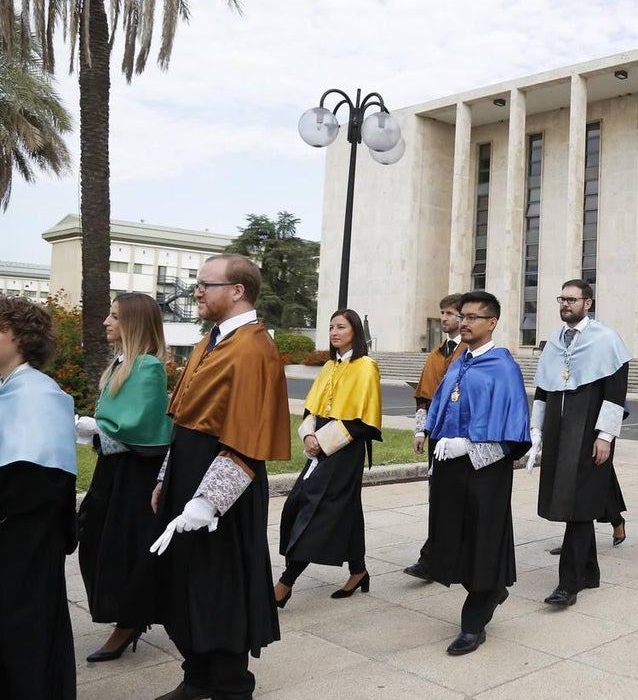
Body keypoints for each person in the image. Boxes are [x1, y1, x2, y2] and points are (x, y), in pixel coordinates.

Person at [148, 254, 291, 700]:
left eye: (205, 284)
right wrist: (165, 479)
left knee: (220, 583)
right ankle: (197, 677)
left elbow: (247, 437)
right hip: (189, 470)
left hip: (223, 480)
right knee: (187, 578)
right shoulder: (209, 340)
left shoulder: (253, 347)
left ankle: (230, 684)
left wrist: (207, 501)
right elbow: (185, 421)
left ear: (237, 291)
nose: (196, 292)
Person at [421, 291, 530, 655]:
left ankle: (475, 620)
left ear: (491, 323)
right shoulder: (459, 362)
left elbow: (514, 432)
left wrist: (469, 446)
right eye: (462, 316)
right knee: (458, 536)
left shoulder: (503, 367)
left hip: (484, 471)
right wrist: (431, 432)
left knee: (484, 537)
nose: (463, 323)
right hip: (451, 467)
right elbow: (442, 402)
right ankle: (489, 588)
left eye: (472, 317)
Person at [76, 294, 172, 663]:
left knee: (122, 549)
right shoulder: (121, 364)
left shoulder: (147, 367)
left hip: (134, 476)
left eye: (114, 316)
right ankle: (127, 619)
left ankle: (128, 622)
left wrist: (90, 426)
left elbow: (138, 428)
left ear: (132, 324)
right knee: (99, 543)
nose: (105, 322)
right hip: (113, 472)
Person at [529, 279, 629, 608]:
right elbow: (544, 387)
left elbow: (615, 396)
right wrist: (536, 431)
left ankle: (567, 584)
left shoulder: (607, 341)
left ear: (587, 303)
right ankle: (589, 572)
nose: (565, 304)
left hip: (589, 434)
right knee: (571, 503)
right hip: (559, 434)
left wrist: (605, 437)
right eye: (562, 299)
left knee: (580, 506)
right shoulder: (555, 342)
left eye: (572, 299)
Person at [275, 309, 381, 607]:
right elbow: (312, 410)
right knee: (332, 508)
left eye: (341, 327)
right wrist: (308, 436)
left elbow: (363, 422)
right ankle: (358, 571)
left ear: (355, 332)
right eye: (331, 327)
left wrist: (321, 442)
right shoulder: (329, 366)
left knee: (316, 511)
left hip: (343, 451)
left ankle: (285, 582)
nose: (334, 332)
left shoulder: (366, 367)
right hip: (319, 448)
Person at [0, 297, 77, 700]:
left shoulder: (35, 393)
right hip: (19, 532)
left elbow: (39, 477)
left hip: (24, 537)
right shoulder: (11, 387)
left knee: (23, 632)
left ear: (17, 336)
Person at [404, 294, 465, 582]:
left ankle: (451, 555)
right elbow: (423, 398)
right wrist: (420, 430)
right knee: (437, 496)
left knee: (460, 499)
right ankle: (431, 558)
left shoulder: (469, 353)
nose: (444, 318)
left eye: (450, 313)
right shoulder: (435, 354)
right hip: (437, 437)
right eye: (442, 312)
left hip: (464, 438)